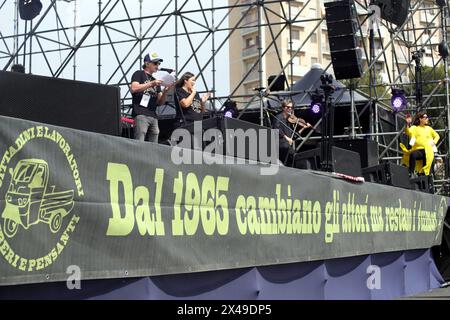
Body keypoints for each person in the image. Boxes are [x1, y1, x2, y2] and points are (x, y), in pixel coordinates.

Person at [130, 52, 173, 142]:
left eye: (158, 63)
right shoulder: (139, 74)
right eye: (155, 63)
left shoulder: (155, 80)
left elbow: (160, 102)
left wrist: (165, 91)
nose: (157, 65)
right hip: (141, 113)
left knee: (155, 136)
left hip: (153, 114)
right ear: (147, 63)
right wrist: (151, 84)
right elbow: (134, 88)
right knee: (140, 136)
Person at [400, 112, 440, 177]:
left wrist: (434, 142)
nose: (427, 119)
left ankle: (424, 177)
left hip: (428, 151)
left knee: (427, 163)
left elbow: (437, 136)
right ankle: (411, 173)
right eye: (425, 117)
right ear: (420, 119)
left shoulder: (429, 128)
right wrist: (407, 123)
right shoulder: (415, 128)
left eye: (427, 117)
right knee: (413, 155)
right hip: (419, 150)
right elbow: (408, 132)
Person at [272, 99, 311, 165]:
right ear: (283, 108)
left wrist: (303, 128)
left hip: (287, 147)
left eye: (291, 107)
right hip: (280, 146)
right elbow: (276, 129)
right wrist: (286, 138)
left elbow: (293, 137)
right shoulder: (278, 117)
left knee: (295, 158)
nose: (290, 109)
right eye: (288, 107)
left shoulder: (290, 121)